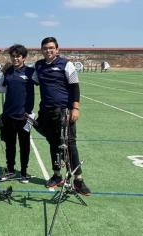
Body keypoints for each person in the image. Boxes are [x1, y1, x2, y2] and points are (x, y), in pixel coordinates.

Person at [33, 37, 91, 195]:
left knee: (70, 144)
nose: (48, 50)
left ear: (57, 49)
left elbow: (75, 87)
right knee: (53, 143)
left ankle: (79, 180)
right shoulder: (38, 66)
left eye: (51, 48)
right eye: (45, 48)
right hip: (46, 111)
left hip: (64, 111)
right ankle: (57, 175)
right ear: (42, 50)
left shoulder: (66, 64)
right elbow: (32, 81)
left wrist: (75, 108)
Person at [0, 44, 35, 184]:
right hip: (8, 116)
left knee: (25, 146)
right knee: (10, 145)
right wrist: (1, 73)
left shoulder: (31, 72)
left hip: (25, 116)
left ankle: (24, 172)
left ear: (23, 57)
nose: (15, 58)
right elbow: (0, 88)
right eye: (13, 56)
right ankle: (11, 170)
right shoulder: (8, 72)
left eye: (18, 56)